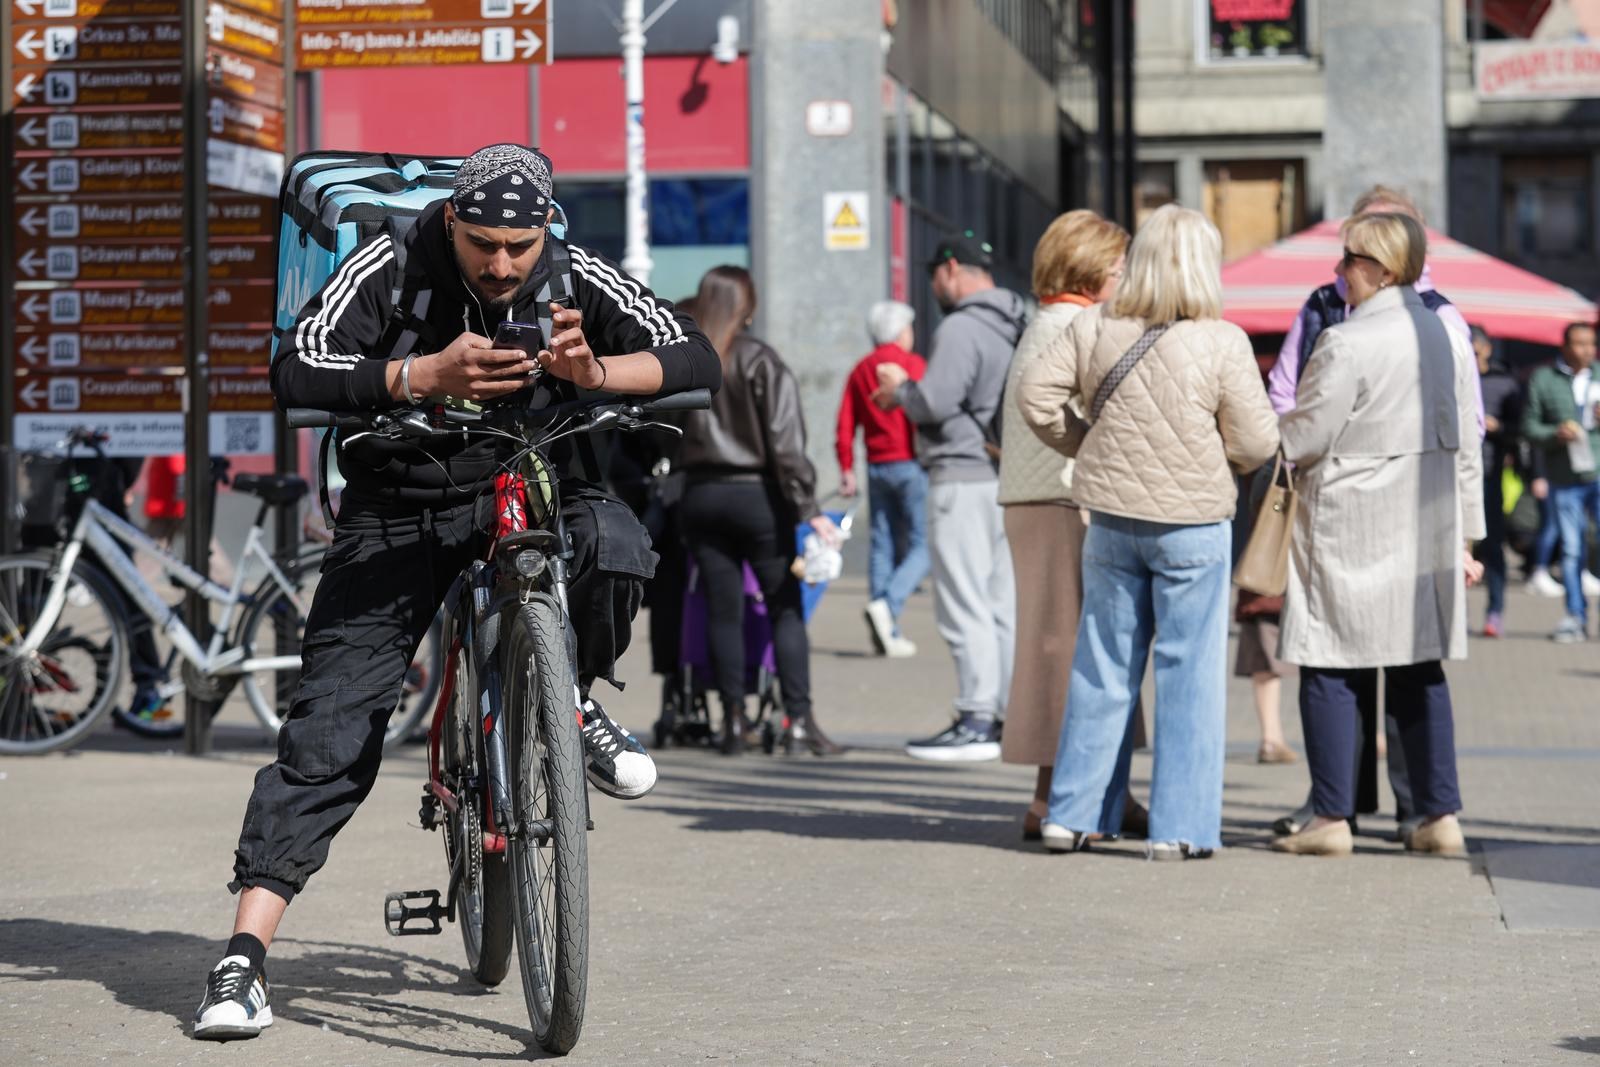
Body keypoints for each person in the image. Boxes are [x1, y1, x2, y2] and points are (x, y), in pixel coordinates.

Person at [192, 143, 721, 1040]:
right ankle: (244, 958)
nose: (504, 264)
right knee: (331, 729)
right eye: (484, 244)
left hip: (528, 479)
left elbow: (694, 354)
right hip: (401, 502)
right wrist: (419, 376)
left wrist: (594, 373)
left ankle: (569, 698)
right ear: (450, 220)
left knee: (617, 543)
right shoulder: (389, 265)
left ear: (545, 229)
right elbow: (295, 365)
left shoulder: (572, 271)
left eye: (521, 245)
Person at [1018, 204, 1279, 859]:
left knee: (1101, 667)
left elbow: (1034, 398)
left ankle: (1069, 816)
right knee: (1189, 675)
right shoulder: (1222, 340)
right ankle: (1179, 829)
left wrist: (1086, 442)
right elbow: (1256, 442)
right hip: (1193, 525)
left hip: (1110, 520)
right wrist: (1212, 456)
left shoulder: (1094, 325)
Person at [1265, 184, 1476, 841]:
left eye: (1349, 259)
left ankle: (1332, 815)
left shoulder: (1346, 341)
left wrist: (1261, 434)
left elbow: (1303, 437)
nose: (1339, 271)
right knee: (1418, 664)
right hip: (1426, 522)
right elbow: (1469, 441)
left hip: (1349, 521)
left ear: (1382, 269)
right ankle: (1438, 814)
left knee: (1328, 661)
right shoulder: (1448, 333)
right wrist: (1469, 534)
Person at [994, 209, 1133, 837]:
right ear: (1091, 268)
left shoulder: (1043, 323)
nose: (1125, 278)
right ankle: (1053, 797)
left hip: (1038, 499)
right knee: (1065, 649)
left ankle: (1101, 790)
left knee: (1065, 644)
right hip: (1060, 500)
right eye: (1119, 267)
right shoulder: (1079, 326)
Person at [676, 265, 845, 757]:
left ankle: (732, 721)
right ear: (747, 308)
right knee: (785, 607)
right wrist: (808, 507)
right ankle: (799, 721)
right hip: (758, 498)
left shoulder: (686, 360)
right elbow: (785, 444)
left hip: (700, 495)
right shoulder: (761, 360)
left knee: (722, 610)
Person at [874, 231, 1026, 762]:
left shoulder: (962, 325)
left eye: (934, 275)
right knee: (1001, 605)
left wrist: (899, 390)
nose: (934, 286)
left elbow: (935, 401)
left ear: (952, 269)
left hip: (961, 475)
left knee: (964, 603)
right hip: (1003, 474)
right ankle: (1008, 716)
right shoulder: (1016, 320)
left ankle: (977, 718)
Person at [835, 300, 928, 658]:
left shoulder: (861, 369)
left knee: (882, 544)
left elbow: (846, 422)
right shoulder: (913, 365)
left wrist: (846, 466)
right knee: (924, 543)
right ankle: (888, 606)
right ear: (901, 331)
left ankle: (887, 628)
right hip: (911, 464)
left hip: (876, 465)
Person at [1521, 321, 1600, 644]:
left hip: (1598, 474)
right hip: (1564, 478)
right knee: (1570, 550)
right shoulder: (1544, 379)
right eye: (1580, 343)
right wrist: (1555, 434)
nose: (1587, 350)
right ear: (1565, 346)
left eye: (1591, 343)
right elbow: (1529, 427)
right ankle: (1575, 617)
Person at [1474, 324, 1524, 637]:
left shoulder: (1505, 383)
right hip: (1449, 476)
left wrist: (1499, 428)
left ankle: (1495, 611)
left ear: (1488, 349)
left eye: (1475, 352)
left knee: (1492, 544)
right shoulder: (1445, 375)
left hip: (1489, 473)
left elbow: (1520, 429)